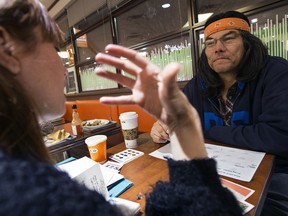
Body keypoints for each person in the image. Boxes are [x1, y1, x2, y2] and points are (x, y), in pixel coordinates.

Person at [0, 1, 242, 215]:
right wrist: (185, 126)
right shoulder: (34, 192)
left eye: (228, 38)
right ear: (6, 48)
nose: (65, 69)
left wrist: (181, 124)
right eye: (54, 47)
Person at [150, 11, 288, 215]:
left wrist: (202, 130)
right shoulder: (199, 83)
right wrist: (161, 126)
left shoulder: (276, 72)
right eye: (210, 43)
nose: (218, 48)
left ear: (248, 42)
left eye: (229, 38)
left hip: (274, 176)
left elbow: (278, 136)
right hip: (215, 173)